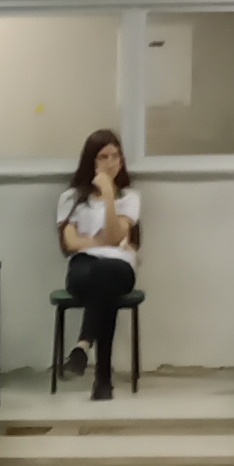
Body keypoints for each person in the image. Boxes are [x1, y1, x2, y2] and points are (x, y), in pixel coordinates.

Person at [57, 128, 146, 396]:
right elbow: (70, 244)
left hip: (119, 268)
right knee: (102, 284)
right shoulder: (71, 199)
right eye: (103, 157)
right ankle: (102, 379)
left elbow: (116, 234)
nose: (111, 163)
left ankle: (83, 346)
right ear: (91, 161)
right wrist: (104, 242)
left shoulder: (130, 198)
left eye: (116, 156)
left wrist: (108, 194)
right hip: (82, 267)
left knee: (105, 274)